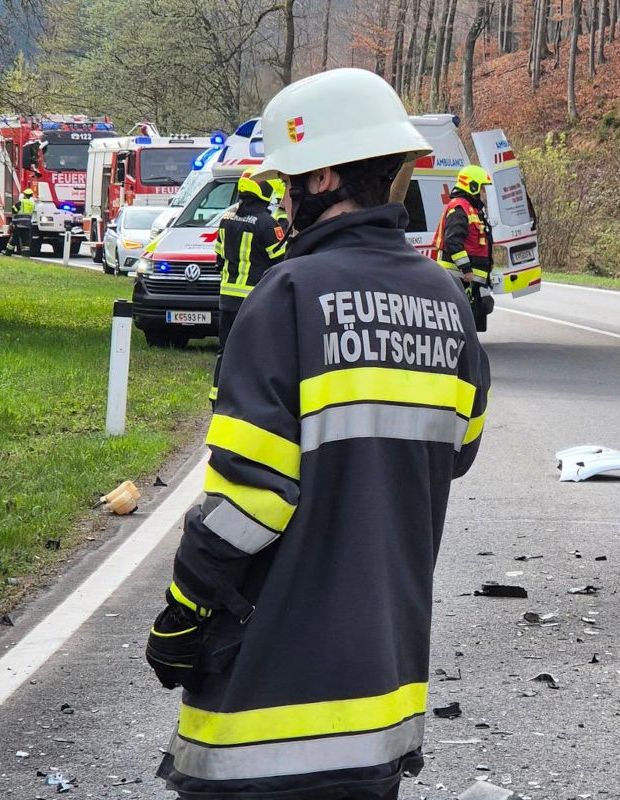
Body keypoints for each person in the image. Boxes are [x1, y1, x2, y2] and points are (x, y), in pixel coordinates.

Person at [145, 67, 491, 800]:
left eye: (288, 178)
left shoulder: (288, 297)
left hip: (267, 712)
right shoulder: (446, 301)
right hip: (382, 705)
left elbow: (251, 502)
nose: (282, 193)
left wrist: (184, 609)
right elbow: (456, 452)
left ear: (325, 175)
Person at [208, 166, 290, 405]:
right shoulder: (267, 223)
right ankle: (250, 401)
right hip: (255, 300)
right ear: (265, 191)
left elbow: (219, 259)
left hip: (227, 299)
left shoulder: (227, 219)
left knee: (226, 351)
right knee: (255, 352)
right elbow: (281, 261)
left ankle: (217, 397)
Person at [433, 164, 495, 331]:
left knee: (475, 316)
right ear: (472, 186)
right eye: (481, 188)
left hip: (471, 279)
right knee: (461, 322)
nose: (483, 193)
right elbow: (453, 241)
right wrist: (466, 269)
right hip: (461, 278)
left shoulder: (472, 208)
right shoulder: (460, 208)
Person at [3, 188, 36, 256]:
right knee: (26, 241)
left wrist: (13, 223)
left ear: (25, 195)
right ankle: (25, 254)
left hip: (19, 225)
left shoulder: (21, 202)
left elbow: (13, 210)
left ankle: (8, 252)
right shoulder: (32, 204)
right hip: (27, 225)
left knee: (13, 239)